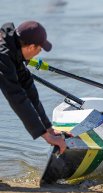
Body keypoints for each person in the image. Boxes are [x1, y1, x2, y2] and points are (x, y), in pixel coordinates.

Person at [0, 21, 66, 153]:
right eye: (39, 49)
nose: (39, 53)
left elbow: (28, 88)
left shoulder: (13, 48)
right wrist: (46, 137)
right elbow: (17, 98)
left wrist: (48, 128)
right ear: (31, 47)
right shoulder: (3, 57)